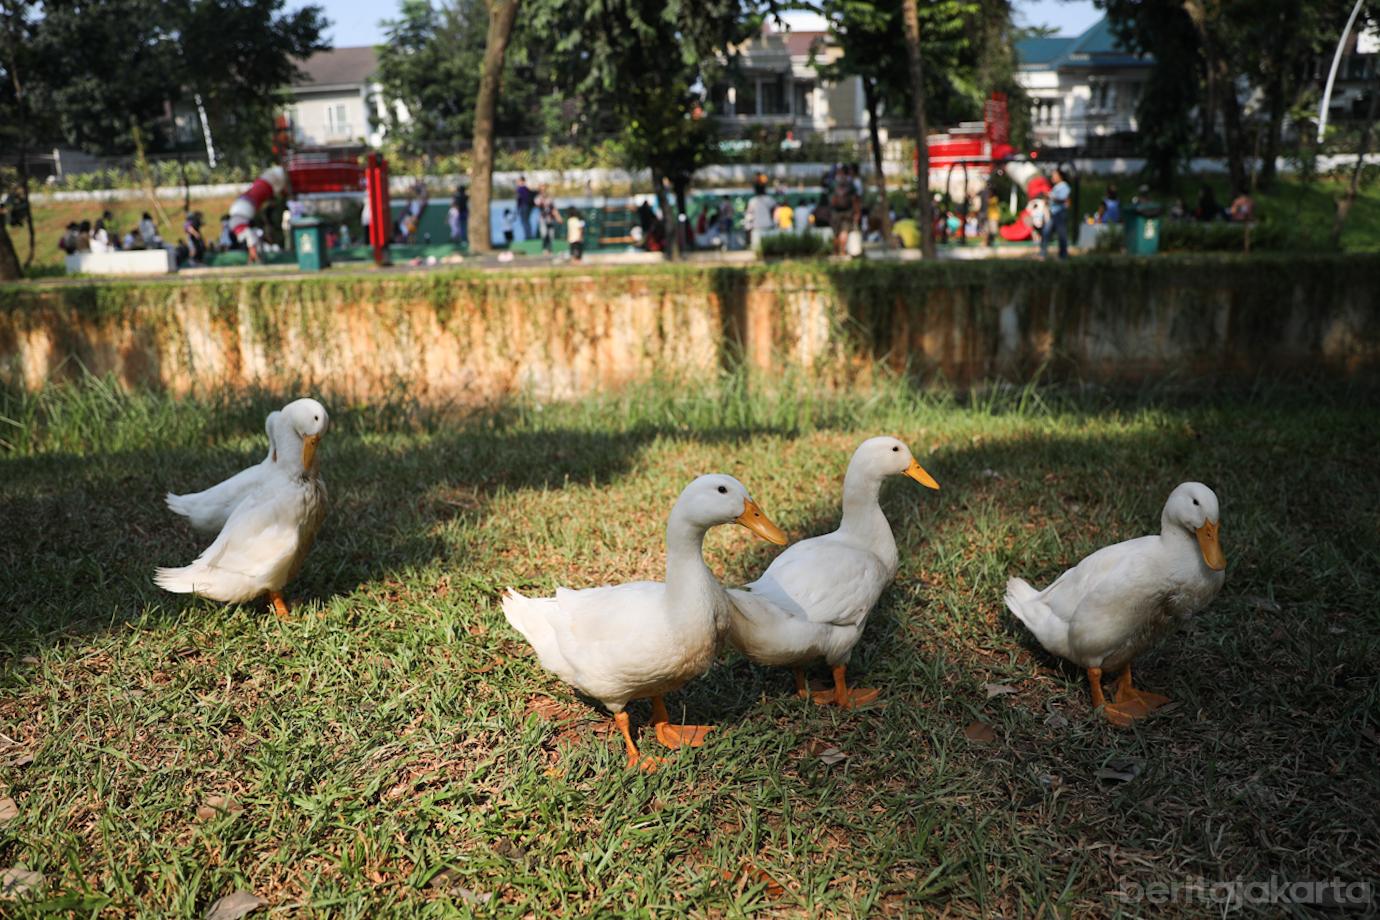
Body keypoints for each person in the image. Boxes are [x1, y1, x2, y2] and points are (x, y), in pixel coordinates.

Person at [1045, 168, 1071, 259]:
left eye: (1054, 175)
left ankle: (1063, 256)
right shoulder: (1056, 186)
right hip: (1054, 213)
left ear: (1060, 176)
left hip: (1060, 213)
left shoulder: (1064, 186)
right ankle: (1043, 254)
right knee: (1046, 232)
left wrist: (1051, 196)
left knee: (1061, 234)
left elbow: (1063, 199)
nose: (1052, 177)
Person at [745, 181, 775, 247]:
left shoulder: (752, 201)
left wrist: (748, 227)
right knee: (768, 246)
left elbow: (749, 215)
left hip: (757, 226)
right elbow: (774, 211)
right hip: (768, 225)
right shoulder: (769, 199)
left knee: (758, 247)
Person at [515, 176, 534, 241]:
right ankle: (529, 236)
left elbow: (519, 200)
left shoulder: (520, 189)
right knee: (527, 221)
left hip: (524, 207)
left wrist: (517, 208)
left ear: (522, 181)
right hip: (528, 207)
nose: (517, 182)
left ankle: (528, 236)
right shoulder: (527, 189)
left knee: (524, 221)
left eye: (518, 181)